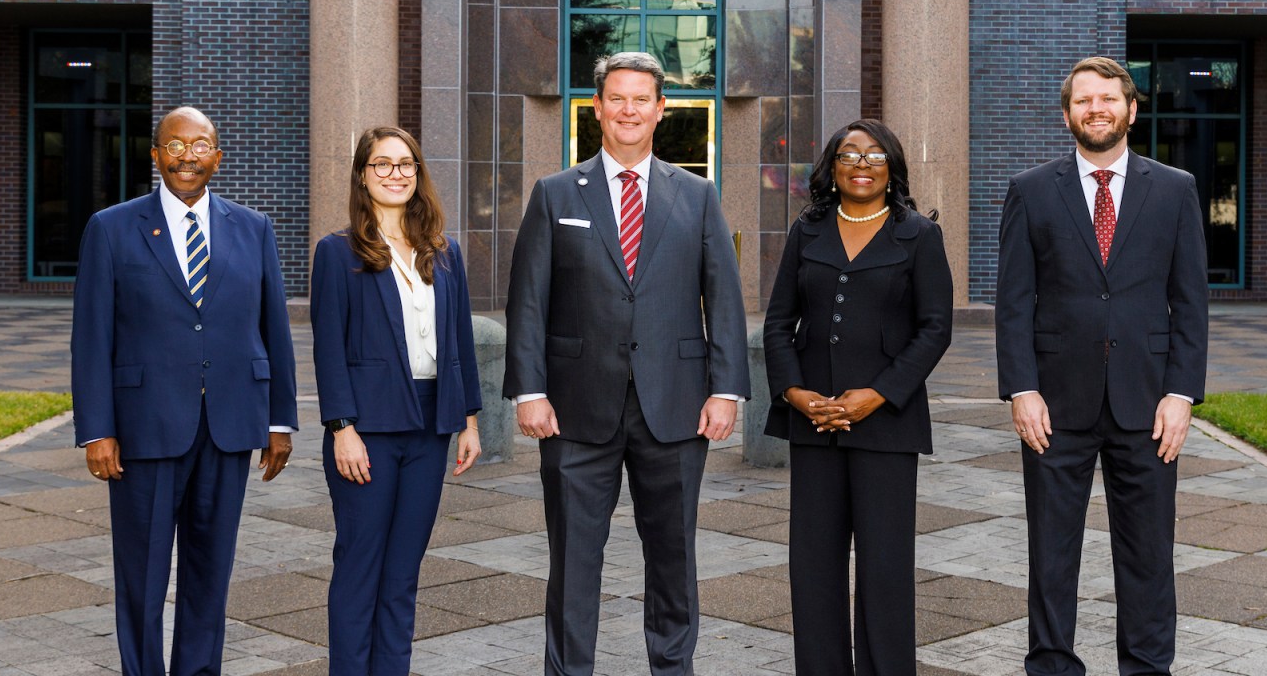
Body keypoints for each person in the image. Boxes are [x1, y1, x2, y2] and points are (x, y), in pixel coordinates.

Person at [505, 50, 751, 676]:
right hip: (574, 410)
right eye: (617, 98)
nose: (629, 110)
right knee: (573, 563)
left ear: (661, 109)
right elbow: (528, 301)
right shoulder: (555, 193)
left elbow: (722, 296)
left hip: (675, 408)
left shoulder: (696, 195)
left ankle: (672, 669)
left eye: (642, 99)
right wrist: (528, 391)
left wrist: (728, 390)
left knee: (673, 560)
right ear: (597, 107)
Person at [994, 56, 1209, 676]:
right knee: (1051, 553)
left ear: (1131, 110)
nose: (1097, 109)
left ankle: (1146, 667)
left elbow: (1190, 301)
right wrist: (1021, 387)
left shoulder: (1175, 189)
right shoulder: (1032, 190)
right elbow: (1013, 302)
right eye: (1084, 100)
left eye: (1108, 99)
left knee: (1148, 554)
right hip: (1055, 406)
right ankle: (1052, 665)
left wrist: (1182, 393)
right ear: (1067, 115)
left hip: (1148, 406)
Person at [71, 106, 298, 676]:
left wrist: (280, 420)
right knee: (142, 579)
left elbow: (273, 328)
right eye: (175, 145)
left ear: (217, 158)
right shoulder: (111, 228)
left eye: (200, 146)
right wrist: (97, 429)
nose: (187, 155)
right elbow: (91, 338)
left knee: (210, 573)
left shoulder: (254, 228)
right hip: (144, 429)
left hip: (229, 426)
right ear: (155, 156)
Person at [762, 118, 953, 676]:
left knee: (885, 568)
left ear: (891, 166)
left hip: (887, 426)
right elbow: (778, 323)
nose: (862, 163)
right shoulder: (808, 229)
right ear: (832, 167)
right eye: (849, 154)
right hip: (813, 424)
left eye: (874, 155)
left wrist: (880, 394)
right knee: (814, 568)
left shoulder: (918, 234)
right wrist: (795, 392)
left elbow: (935, 328)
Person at [310, 126, 484, 675]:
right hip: (367, 430)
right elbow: (328, 349)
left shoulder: (444, 252)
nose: (395, 174)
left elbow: (460, 342)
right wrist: (342, 428)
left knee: (403, 572)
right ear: (363, 175)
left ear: (418, 174)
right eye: (382, 165)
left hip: (429, 427)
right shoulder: (338, 253)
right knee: (361, 566)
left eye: (405, 164)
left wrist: (470, 421)